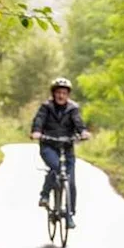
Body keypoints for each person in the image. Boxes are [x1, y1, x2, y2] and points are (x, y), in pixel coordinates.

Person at [30, 77, 91, 229]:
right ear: (53, 93)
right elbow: (39, 120)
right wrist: (37, 131)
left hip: (67, 146)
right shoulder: (46, 107)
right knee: (56, 167)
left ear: (68, 94)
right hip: (48, 145)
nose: (61, 96)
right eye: (58, 92)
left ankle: (69, 215)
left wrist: (83, 132)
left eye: (64, 93)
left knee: (70, 181)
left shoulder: (73, 108)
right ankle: (45, 195)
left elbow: (78, 122)